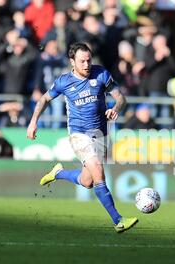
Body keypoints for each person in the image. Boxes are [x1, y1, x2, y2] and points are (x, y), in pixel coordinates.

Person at [26, 42, 138, 233]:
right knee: (98, 170)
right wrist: (33, 121)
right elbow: (44, 98)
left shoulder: (101, 73)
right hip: (78, 134)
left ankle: (58, 173)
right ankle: (118, 220)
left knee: (88, 181)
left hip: (100, 133)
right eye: (82, 61)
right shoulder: (63, 81)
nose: (86, 65)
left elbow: (121, 98)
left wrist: (115, 109)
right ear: (72, 62)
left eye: (88, 60)